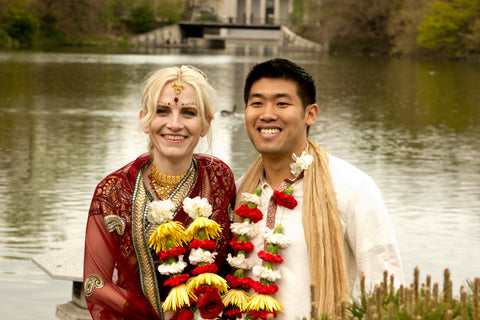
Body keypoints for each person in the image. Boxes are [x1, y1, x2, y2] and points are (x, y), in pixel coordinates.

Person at [233, 58, 404, 319]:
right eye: (257, 103)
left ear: (310, 114)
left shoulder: (351, 188)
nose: (267, 114)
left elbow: (385, 287)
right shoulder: (239, 192)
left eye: (282, 103)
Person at [83, 65, 235, 320]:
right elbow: (95, 283)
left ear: (206, 124)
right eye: (162, 111)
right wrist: (157, 316)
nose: (174, 124)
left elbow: (231, 264)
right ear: (145, 119)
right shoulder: (113, 191)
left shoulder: (219, 177)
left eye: (188, 113)